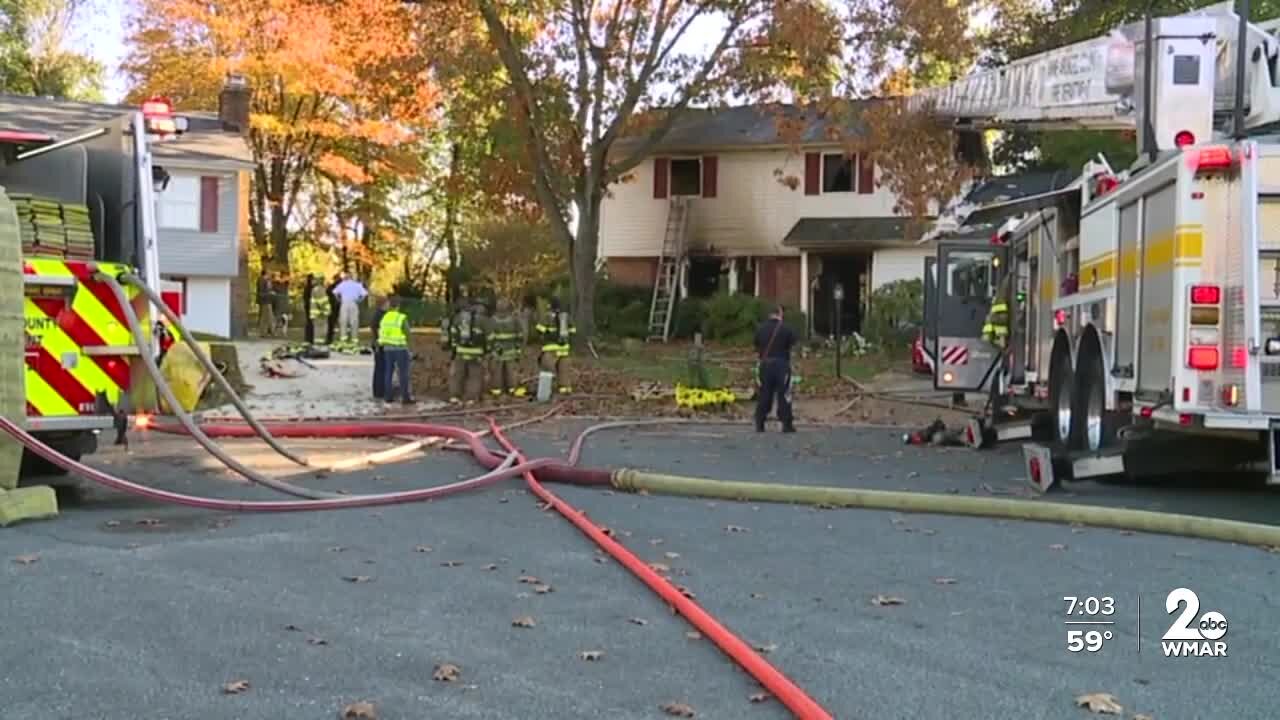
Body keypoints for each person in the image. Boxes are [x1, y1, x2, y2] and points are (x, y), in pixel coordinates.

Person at [753, 304, 797, 433]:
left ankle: (760, 421)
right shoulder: (786, 328)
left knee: (765, 393)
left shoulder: (761, 329)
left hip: (765, 365)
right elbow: (793, 343)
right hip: (781, 364)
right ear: (780, 313)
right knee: (784, 394)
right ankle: (786, 423)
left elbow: (756, 344)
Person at [446, 299, 488, 403]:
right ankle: (471, 398)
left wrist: (454, 349)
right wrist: (487, 351)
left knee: (457, 375)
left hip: (460, 352)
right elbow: (489, 337)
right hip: (476, 353)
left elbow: (453, 335)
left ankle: (454, 397)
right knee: (474, 376)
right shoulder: (482, 320)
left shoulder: (457, 318)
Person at [378, 296, 414, 405]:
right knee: (403, 373)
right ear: (398, 306)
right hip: (400, 348)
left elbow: (382, 331)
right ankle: (405, 397)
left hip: (387, 348)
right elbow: (407, 332)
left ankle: (388, 396)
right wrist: (409, 347)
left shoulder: (385, 317)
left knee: (388, 372)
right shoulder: (401, 317)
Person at [536, 297, 575, 395]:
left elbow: (539, 330)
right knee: (564, 370)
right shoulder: (566, 317)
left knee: (547, 369)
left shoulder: (547, 317)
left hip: (551, 349)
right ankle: (564, 388)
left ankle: (544, 391)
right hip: (564, 350)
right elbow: (573, 331)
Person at [488, 298, 525, 397]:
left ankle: (497, 390)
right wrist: (518, 349)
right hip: (511, 351)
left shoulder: (492, 320)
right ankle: (512, 388)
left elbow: (490, 337)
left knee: (497, 372)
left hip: (498, 352)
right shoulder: (514, 320)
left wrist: (494, 348)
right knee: (511, 372)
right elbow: (520, 336)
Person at [370, 296, 390, 400]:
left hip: (379, 344)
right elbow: (376, 329)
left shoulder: (379, 314)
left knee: (380, 368)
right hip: (380, 345)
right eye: (387, 303)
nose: (389, 305)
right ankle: (380, 391)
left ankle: (379, 391)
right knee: (381, 368)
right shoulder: (380, 315)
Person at [306, 273, 330, 347]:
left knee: (317, 330)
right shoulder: (320, 289)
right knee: (321, 330)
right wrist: (326, 310)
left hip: (316, 313)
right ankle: (320, 345)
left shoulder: (314, 289)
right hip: (320, 313)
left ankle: (317, 345)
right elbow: (322, 302)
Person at [257, 271, 275, 337]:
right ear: (266, 274)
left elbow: (268, 289)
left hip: (267, 301)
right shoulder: (262, 280)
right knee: (268, 317)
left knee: (266, 317)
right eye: (269, 274)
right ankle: (269, 332)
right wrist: (270, 293)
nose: (270, 275)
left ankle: (265, 332)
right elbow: (262, 292)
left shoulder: (266, 280)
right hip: (265, 301)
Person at [325, 273, 341, 345]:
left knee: (333, 324)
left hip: (338, 307)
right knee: (331, 324)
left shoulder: (339, 287)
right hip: (334, 308)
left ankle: (331, 339)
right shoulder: (332, 287)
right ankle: (330, 339)